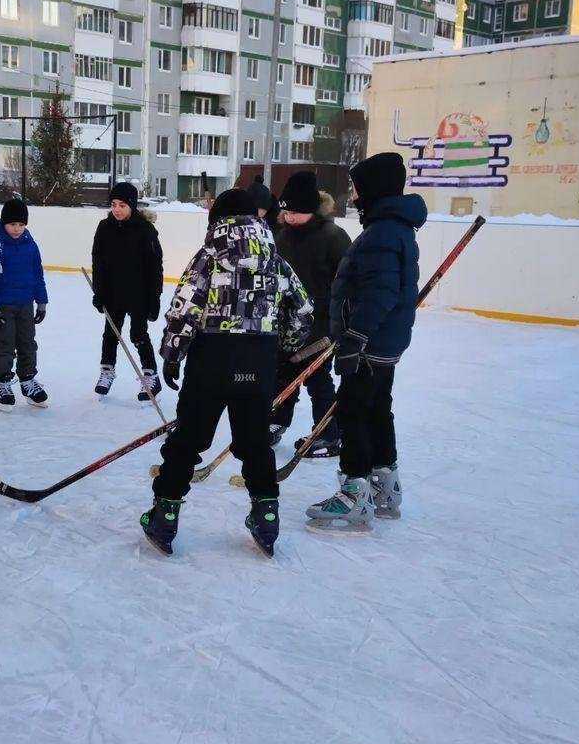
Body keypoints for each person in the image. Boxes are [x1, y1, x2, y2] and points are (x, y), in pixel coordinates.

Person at [141, 188, 313, 558]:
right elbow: (302, 312)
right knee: (254, 442)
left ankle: (165, 514)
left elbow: (185, 307)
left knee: (188, 439)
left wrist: (172, 353)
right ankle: (267, 516)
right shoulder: (276, 260)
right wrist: (283, 348)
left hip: (213, 359)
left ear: (217, 219)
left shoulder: (210, 256)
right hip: (259, 359)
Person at [306, 152, 428, 528]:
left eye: (357, 189)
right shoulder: (395, 228)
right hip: (383, 344)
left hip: (368, 344)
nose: (354, 197)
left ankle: (354, 492)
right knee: (377, 409)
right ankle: (385, 487)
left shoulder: (382, 234)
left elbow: (380, 292)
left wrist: (356, 336)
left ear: (372, 190)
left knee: (353, 411)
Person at [271, 171, 351, 456]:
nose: (289, 217)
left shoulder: (333, 237)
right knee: (282, 375)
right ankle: (276, 422)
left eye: (295, 212)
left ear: (311, 209)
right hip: (286, 324)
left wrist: (337, 323)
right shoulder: (281, 237)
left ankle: (328, 433)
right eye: (286, 212)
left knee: (317, 380)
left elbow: (347, 284)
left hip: (320, 325)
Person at [90, 182, 164, 401]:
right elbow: (98, 262)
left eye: (122, 205)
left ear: (131, 205)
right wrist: (99, 291)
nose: (117, 209)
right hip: (113, 292)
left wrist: (154, 297)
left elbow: (155, 266)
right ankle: (107, 370)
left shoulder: (145, 230)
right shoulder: (105, 228)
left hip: (139, 293)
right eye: (113, 204)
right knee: (110, 333)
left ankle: (151, 375)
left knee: (138, 334)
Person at [0, 198, 49, 411]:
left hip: (25, 304)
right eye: (12, 224)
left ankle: (28, 380)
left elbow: (38, 274)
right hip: (3, 306)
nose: (17, 229)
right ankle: (1, 383)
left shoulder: (30, 245)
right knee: (5, 345)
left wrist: (42, 301)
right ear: (4, 223)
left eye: (21, 224)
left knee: (28, 343)